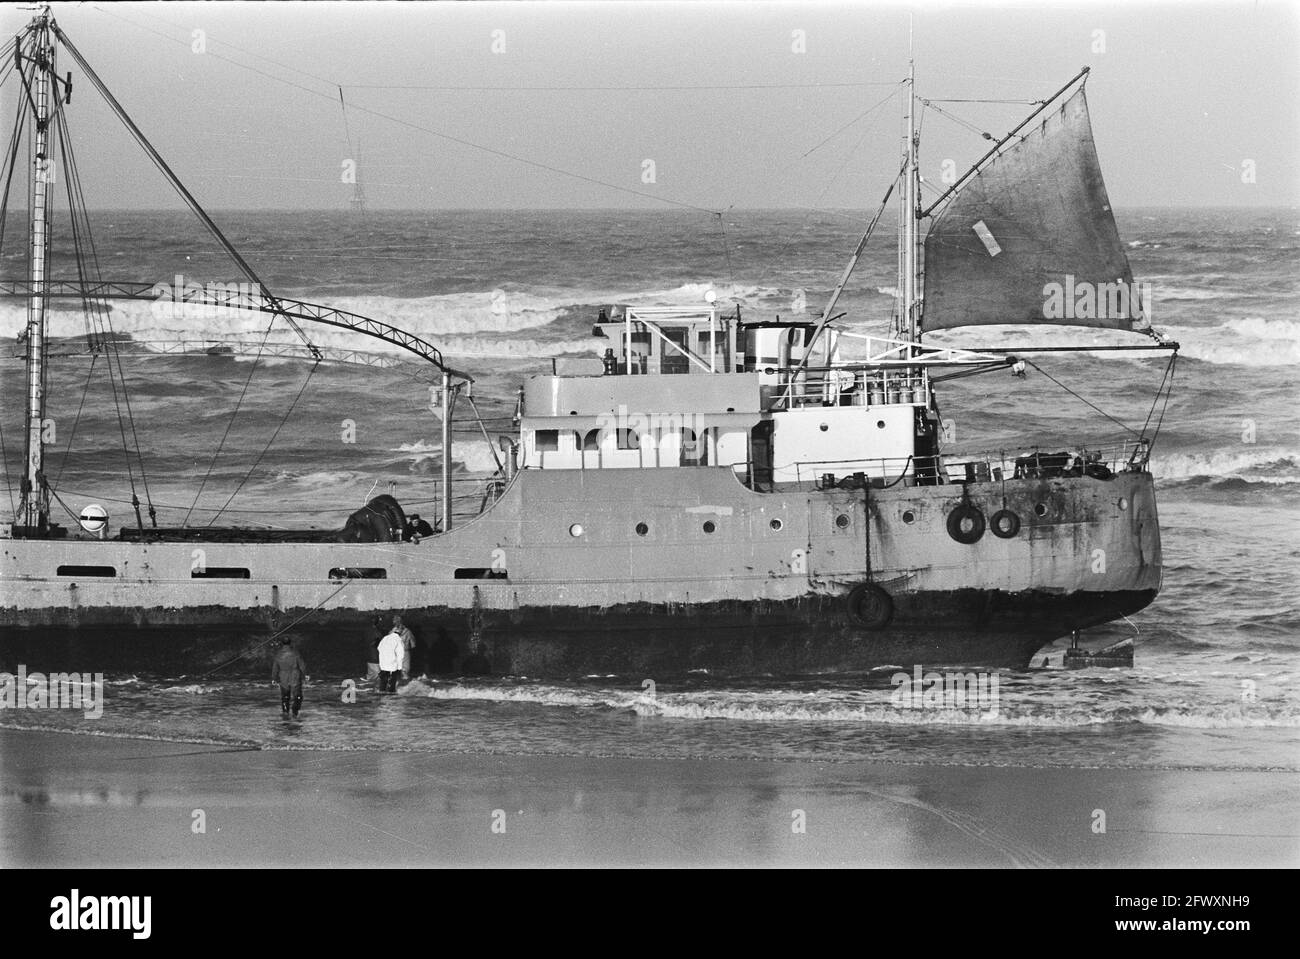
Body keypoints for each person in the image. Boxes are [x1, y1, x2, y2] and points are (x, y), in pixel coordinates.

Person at [271, 638, 308, 718]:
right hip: (295, 675)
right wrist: (305, 675)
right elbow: (302, 665)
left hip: (283, 676)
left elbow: (275, 668)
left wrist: (274, 678)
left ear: (282, 644)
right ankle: (295, 711)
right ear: (290, 643)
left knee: (285, 696)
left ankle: (285, 712)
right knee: (298, 696)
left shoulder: (278, 654)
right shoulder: (295, 653)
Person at [377, 626, 405, 693]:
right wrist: (399, 668)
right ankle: (391, 693)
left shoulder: (385, 637)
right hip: (392, 664)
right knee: (392, 681)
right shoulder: (398, 640)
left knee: (383, 681)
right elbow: (400, 655)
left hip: (383, 663)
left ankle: (382, 692)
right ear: (400, 632)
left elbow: (379, 648)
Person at [393, 615, 415, 679]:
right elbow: (413, 645)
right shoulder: (408, 632)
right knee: (405, 671)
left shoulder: (392, 631)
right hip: (405, 652)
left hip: (397, 652)